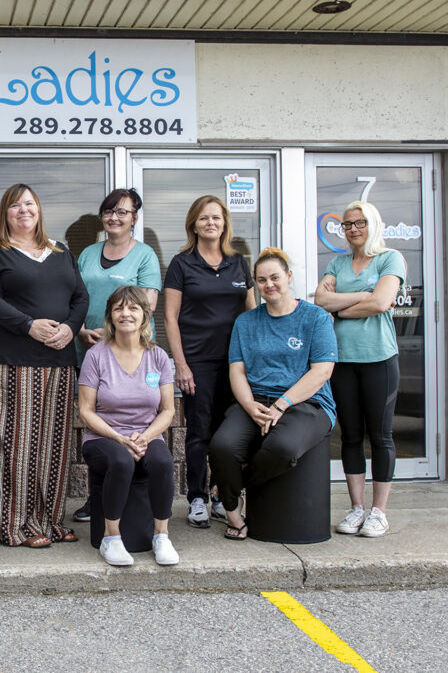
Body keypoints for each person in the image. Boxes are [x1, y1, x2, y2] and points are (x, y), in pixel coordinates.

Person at [0, 183, 89, 548]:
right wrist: (29, 325)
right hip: (13, 363)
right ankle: (14, 525)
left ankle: (49, 521)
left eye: (29, 204)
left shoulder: (60, 252)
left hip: (58, 361)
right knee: (16, 445)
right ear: (5, 213)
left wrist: (71, 329)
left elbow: (81, 296)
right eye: (15, 205)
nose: (23, 210)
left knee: (53, 448)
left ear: (38, 209)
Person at [209, 248, 337, 540]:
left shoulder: (315, 318)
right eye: (262, 280)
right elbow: (237, 371)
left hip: (308, 403)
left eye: (275, 277)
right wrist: (250, 406)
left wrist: (281, 405)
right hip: (255, 400)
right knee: (222, 446)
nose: (269, 285)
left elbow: (321, 372)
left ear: (289, 277)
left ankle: (238, 484)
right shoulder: (247, 322)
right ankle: (232, 512)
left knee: (283, 448)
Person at [163, 195, 256, 529]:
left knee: (227, 434)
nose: (210, 223)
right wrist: (181, 365)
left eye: (216, 218)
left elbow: (252, 313)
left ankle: (221, 497)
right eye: (203, 218)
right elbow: (171, 319)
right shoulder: (181, 263)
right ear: (194, 224)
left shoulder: (239, 263)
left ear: (224, 223)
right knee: (199, 433)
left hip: (236, 364)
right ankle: (197, 499)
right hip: (198, 361)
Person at [315, 201, 406, 538]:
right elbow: (321, 302)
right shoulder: (337, 262)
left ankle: (379, 512)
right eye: (348, 224)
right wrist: (363, 297)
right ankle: (356, 508)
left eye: (359, 223)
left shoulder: (389, 258)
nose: (353, 229)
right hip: (343, 361)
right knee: (350, 436)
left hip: (379, 359)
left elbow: (382, 302)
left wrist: (345, 305)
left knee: (380, 436)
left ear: (374, 224)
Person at [73, 188, 162, 523]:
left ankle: (126, 499)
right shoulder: (87, 253)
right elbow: (75, 297)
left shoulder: (145, 256)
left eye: (122, 212)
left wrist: (114, 335)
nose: (114, 217)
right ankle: (95, 501)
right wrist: (81, 329)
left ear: (134, 218)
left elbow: (148, 305)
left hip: (126, 353)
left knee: (121, 421)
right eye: (109, 211)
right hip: (87, 351)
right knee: (94, 426)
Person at [78, 286, 178, 566]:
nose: (126, 314)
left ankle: (161, 536)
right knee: (121, 462)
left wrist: (145, 437)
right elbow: (86, 410)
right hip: (102, 437)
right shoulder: (96, 356)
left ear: (144, 316)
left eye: (133, 308)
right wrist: (119, 438)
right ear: (110, 316)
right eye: (119, 308)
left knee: (162, 461)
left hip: (145, 435)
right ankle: (111, 538)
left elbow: (168, 409)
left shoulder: (157, 356)